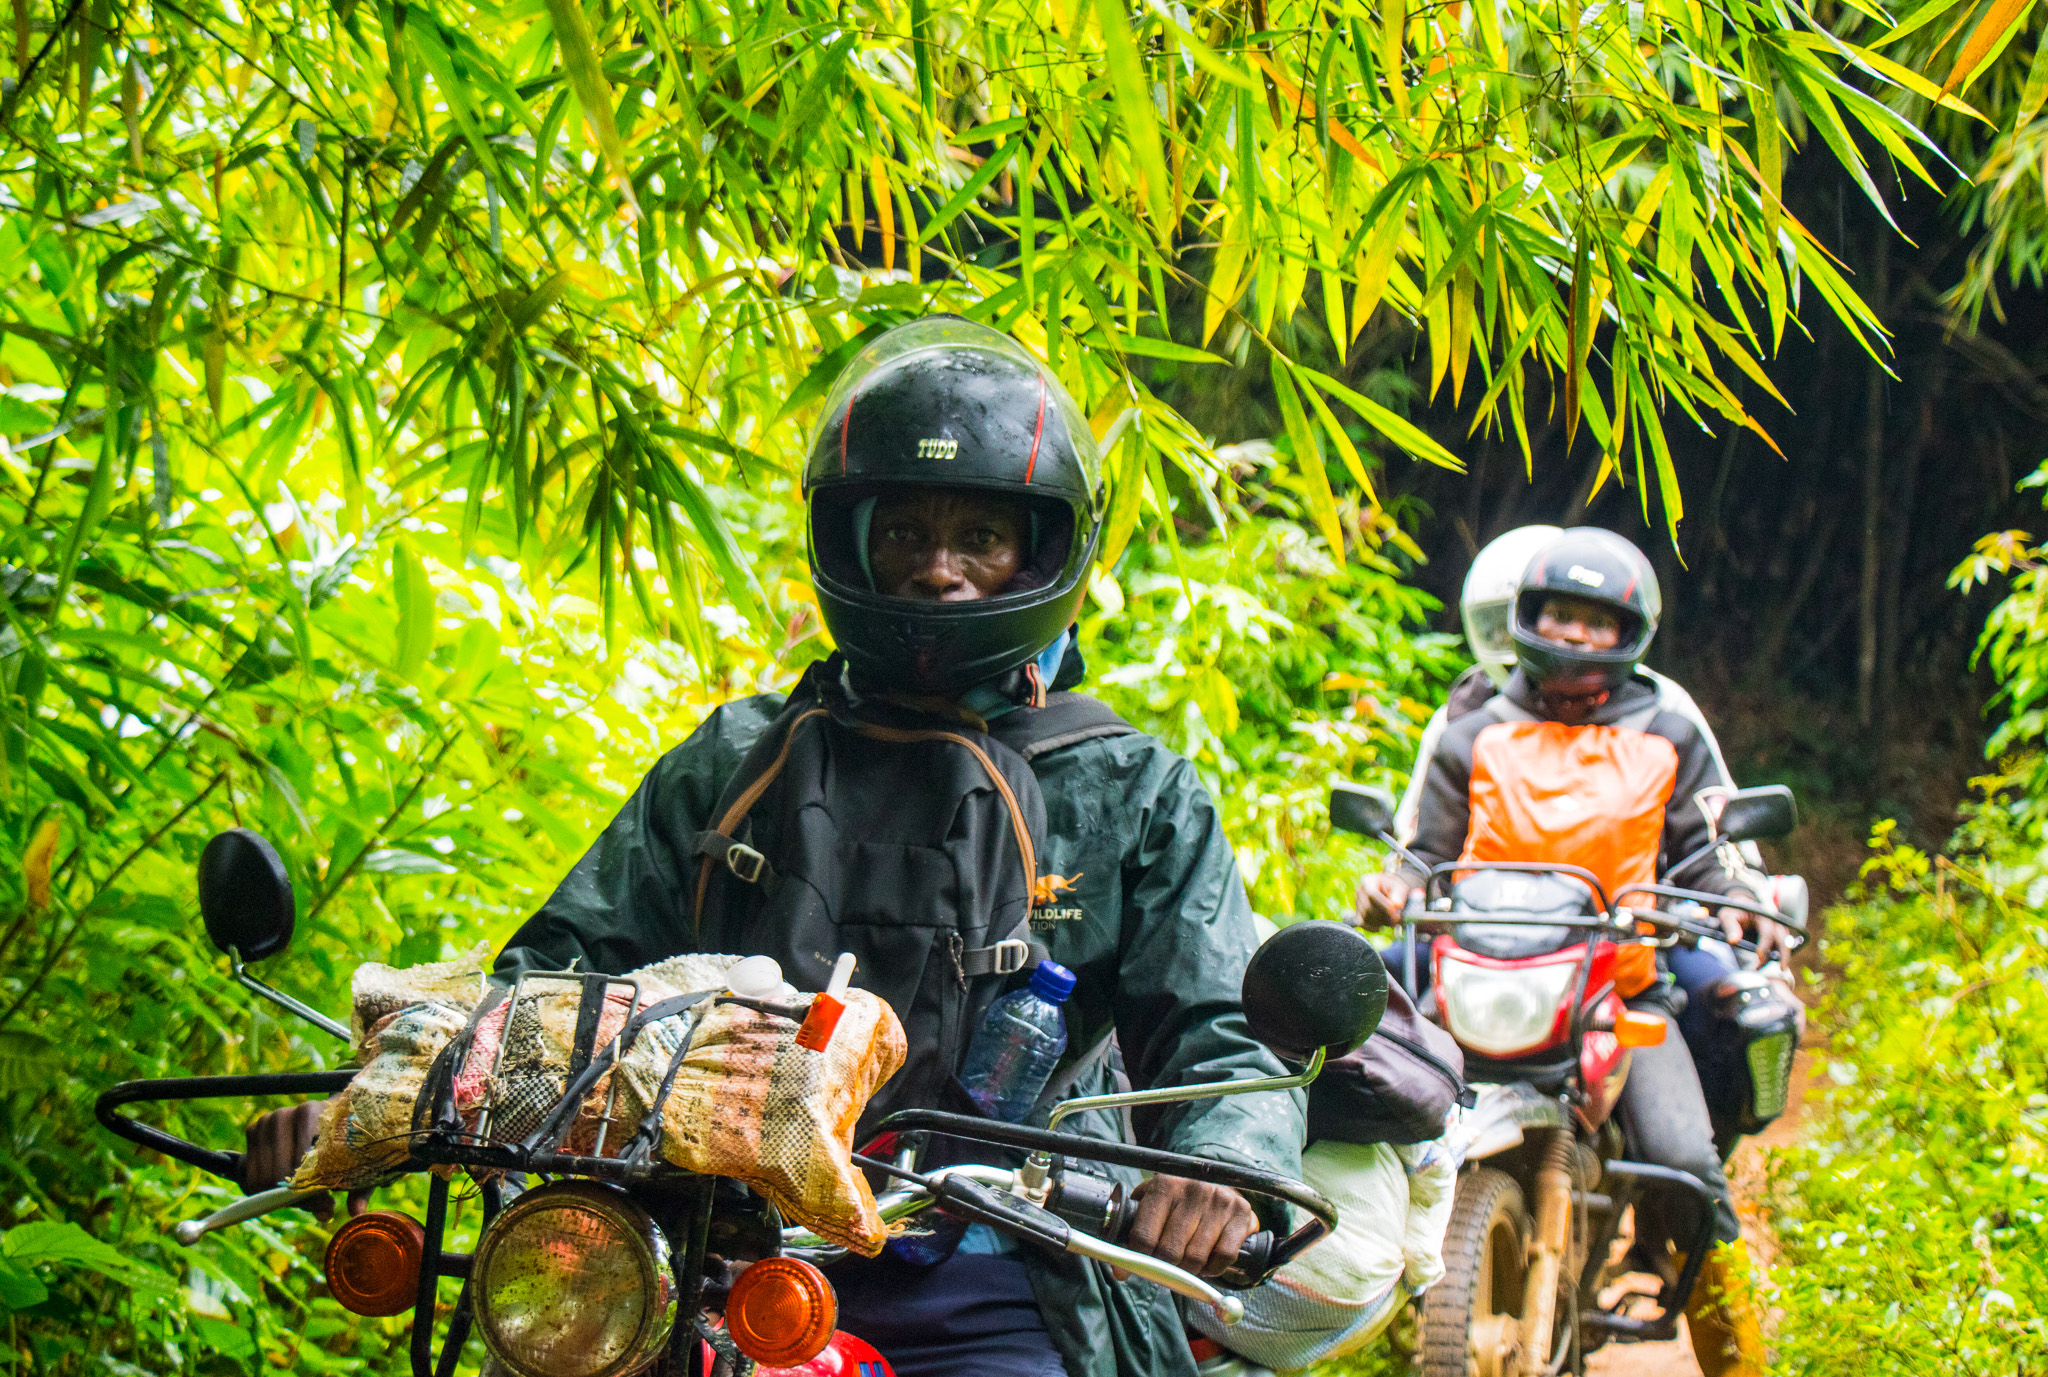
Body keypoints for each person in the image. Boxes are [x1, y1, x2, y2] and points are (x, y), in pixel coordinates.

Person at [254, 317, 1302, 1377]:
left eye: (978, 540)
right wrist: (388, 1090)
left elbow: (1217, 1032)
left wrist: (1218, 1165)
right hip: (693, 1252)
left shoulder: (1130, 790)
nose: (938, 573)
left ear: (1041, 550)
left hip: (998, 1265)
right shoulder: (735, 758)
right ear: (850, 542)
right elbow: (557, 980)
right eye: (904, 535)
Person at [1356, 526, 1771, 1377]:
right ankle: (1344, 1304)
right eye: (1560, 614)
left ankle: (1742, 1360)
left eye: (1597, 621)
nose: (1576, 634)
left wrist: (1736, 903)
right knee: (1366, 1106)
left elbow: (1712, 846)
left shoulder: (1667, 720)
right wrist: (1393, 885)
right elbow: (1420, 848)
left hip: (1619, 991)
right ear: (1527, 616)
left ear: (1631, 634)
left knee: (1686, 1164)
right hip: (1476, 981)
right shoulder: (1473, 716)